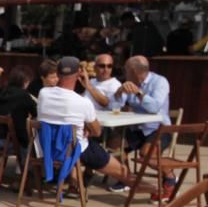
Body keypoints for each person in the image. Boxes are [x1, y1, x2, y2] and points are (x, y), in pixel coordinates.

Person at [38, 56, 139, 190]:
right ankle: (152, 188)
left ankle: (77, 180)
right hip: (76, 150)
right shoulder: (83, 102)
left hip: (49, 149)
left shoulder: (43, 93)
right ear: (78, 74)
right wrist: (85, 127)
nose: (105, 69)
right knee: (123, 173)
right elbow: (97, 132)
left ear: (58, 74)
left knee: (80, 142)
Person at [113, 56, 174, 199]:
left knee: (146, 154)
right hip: (137, 128)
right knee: (115, 146)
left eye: (126, 69)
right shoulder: (129, 83)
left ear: (134, 71)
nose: (124, 72)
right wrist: (119, 93)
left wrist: (138, 93)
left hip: (159, 128)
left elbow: (154, 107)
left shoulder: (160, 82)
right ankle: (126, 178)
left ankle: (170, 178)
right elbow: (115, 106)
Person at [0, 65, 36, 161]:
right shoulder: (23, 96)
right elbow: (36, 113)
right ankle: (29, 172)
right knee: (30, 144)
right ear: (26, 82)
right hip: (4, 143)